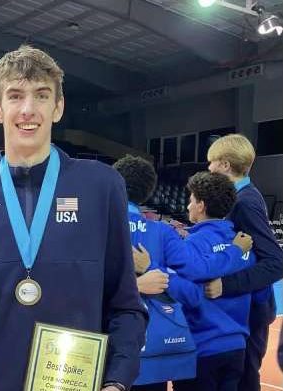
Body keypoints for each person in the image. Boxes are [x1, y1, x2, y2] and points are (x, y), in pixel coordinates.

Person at [0, 45, 147, 391]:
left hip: (74, 384)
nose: (28, 110)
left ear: (58, 107)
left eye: (41, 95)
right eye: (15, 95)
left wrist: (116, 381)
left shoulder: (100, 184)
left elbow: (126, 305)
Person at [113, 156, 253, 391]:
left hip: (103, 353)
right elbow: (197, 280)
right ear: (148, 193)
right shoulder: (163, 233)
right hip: (154, 357)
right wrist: (235, 252)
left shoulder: (95, 226)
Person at [172, 172, 266, 391]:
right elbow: (261, 295)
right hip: (236, 348)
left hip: (200, 349)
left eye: (191, 200)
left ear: (201, 205)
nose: (187, 206)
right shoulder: (245, 243)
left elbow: (183, 294)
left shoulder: (193, 245)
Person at [205, 134, 283, 391]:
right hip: (243, 312)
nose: (209, 168)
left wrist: (225, 285)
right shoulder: (243, 196)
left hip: (250, 314)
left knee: (245, 380)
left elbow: (275, 261)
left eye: (212, 162)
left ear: (225, 165)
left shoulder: (246, 201)